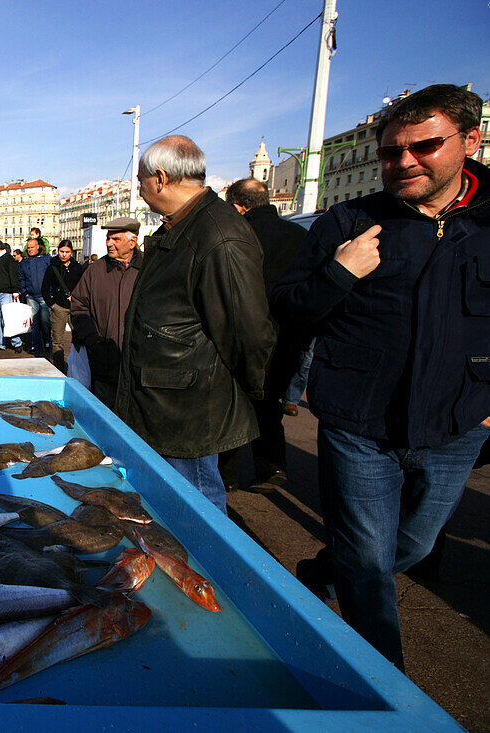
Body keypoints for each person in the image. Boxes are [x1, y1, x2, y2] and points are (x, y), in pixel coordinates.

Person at [271, 83, 490, 670]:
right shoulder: (348, 220)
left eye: (425, 146)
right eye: (392, 152)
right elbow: (290, 307)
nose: (404, 162)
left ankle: (322, 569)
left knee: (410, 546)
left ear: (470, 141)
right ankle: (384, 692)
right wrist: (339, 273)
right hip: (358, 423)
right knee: (369, 570)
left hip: (456, 424)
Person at [114, 135, 275, 514]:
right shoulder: (182, 227)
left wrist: (239, 398)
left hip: (188, 413)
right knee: (168, 507)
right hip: (167, 403)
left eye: (140, 181)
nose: (140, 189)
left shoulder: (218, 236)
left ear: (160, 178)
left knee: (195, 514)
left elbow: (250, 335)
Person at [217, 178, 308, 493]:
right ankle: (270, 466)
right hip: (288, 337)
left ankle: (226, 475)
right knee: (271, 404)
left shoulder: (238, 235)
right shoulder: (299, 235)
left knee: (234, 405)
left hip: (244, 337)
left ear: (237, 206)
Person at [69, 219, 143, 406]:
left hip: (140, 364)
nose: (109, 243)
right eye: (108, 238)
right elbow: (78, 306)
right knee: (104, 415)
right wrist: (93, 340)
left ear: (132, 242)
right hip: (104, 361)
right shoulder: (96, 270)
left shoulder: (148, 269)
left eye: (116, 239)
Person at [41, 239, 85, 371]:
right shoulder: (52, 267)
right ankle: (59, 368)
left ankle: (78, 367)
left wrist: (78, 299)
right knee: (57, 340)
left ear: (71, 252)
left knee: (79, 338)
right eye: (61, 251)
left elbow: (83, 286)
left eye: (67, 252)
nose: (64, 254)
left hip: (75, 307)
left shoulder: (77, 268)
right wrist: (52, 305)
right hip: (58, 307)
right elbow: (44, 289)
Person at [18, 236, 51, 355]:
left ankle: (47, 341)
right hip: (31, 296)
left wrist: (50, 292)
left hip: (44, 296)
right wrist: (25, 292)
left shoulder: (47, 259)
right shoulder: (24, 262)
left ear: (38, 247)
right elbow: (21, 278)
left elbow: (52, 276)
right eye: (28, 248)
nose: (30, 249)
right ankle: (35, 344)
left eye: (32, 247)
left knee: (45, 321)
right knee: (34, 322)